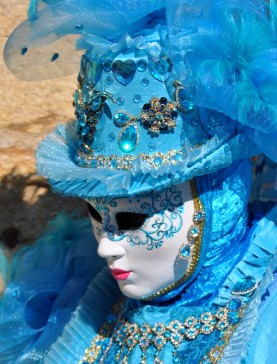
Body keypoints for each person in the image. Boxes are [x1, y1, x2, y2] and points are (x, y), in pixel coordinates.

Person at [0, 0, 277, 363]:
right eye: (98, 216)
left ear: (217, 197)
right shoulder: (84, 304)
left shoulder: (265, 323)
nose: (105, 248)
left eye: (133, 219)